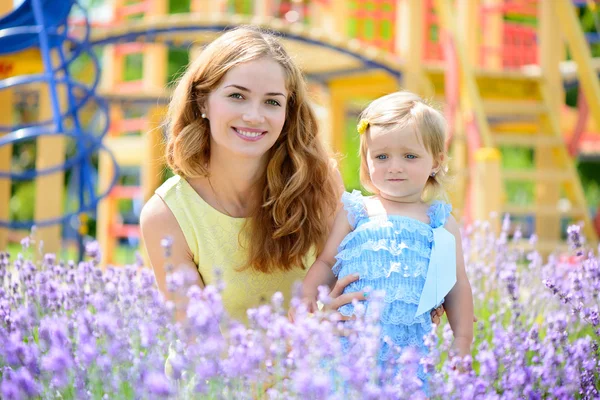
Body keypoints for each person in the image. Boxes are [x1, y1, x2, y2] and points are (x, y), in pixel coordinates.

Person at [139, 26, 369, 324]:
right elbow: (199, 342)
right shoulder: (166, 214)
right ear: (202, 102)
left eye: (272, 101)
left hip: (316, 366)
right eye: (237, 96)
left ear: (288, 113)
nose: (254, 116)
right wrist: (303, 336)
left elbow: (352, 282)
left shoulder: (319, 181)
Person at [301, 91, 474, 383]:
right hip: (352, 340)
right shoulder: (358, 211)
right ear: (367, 161)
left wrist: (462, 341)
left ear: (435, 161)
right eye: (381, 156)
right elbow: (327, 261)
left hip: (410, 348)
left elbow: (457, 284)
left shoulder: (439, 221)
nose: (394, 166)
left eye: (409, 156)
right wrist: (307, 298)